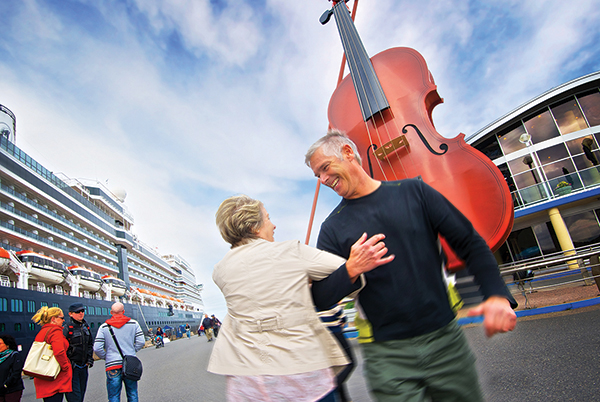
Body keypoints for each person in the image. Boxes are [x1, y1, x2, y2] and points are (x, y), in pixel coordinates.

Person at [305, 130, 518, 402]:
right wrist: (351, 269)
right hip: (386, 355)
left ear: (348, 153)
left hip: (446, 342)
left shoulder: (414, 192)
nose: (322, 180)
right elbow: (320, 298)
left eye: (324, 168)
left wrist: (497, 295)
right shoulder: (332, 228)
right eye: (317, 176)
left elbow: (469, 242)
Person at [207, 194, 392, 401]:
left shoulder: (220, 270)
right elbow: (345, 271)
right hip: (299, 372)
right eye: (268, 218)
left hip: (246, 379)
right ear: (253, 226)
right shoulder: (291, 251)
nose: (273, 225)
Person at [93, 302, 145, 402]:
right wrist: (132, 351)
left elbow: (97, 348)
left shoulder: (104, 327)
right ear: (123, 311)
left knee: (114, 396)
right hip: (130, 364)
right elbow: (141, 342)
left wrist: (107, 357)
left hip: (112, 365)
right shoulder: (134, 324)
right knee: (132, 393)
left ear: (111, 312)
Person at [31, 307, 72, 402]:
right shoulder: (55, 331)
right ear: (53, 319)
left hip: (43, 372)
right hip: (54, 376)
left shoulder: (43, 331)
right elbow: (59, 352)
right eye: (61, 318)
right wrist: (66, 366)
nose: (63, 320)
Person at [63, 303, 94, 402]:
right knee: (74, 397)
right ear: (70, 314)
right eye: (77, 312)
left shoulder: (85, 327)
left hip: (83, 366)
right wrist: (70, 364)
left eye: (82, 311)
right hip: (72, 368)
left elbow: (90, 344)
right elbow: (63, 348)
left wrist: (89, 360)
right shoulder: (67, 328)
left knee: (81, 395)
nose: (81, 313)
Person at [0, 334, 24, 402]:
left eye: (0, 344)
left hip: (12, 389)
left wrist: (6, 385)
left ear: (7, 345)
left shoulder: (14, 356)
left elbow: (16, 372)